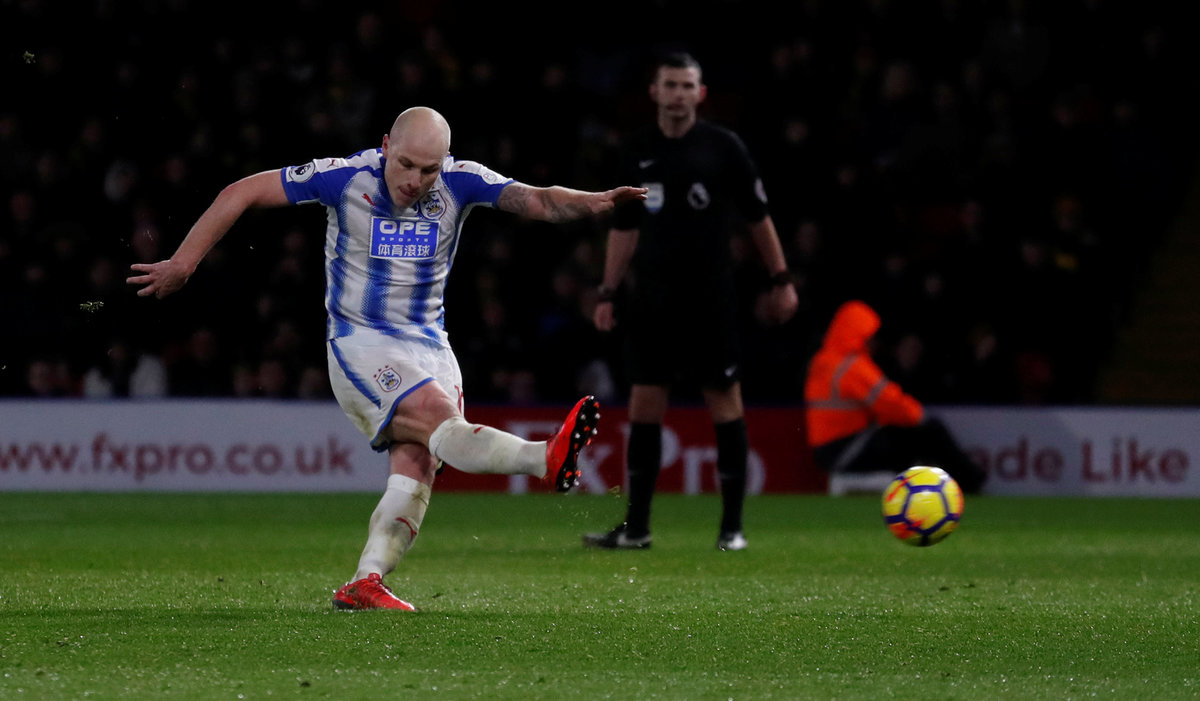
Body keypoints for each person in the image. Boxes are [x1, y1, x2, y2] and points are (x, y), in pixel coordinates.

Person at [128, 106, 647, 610]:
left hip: (431, 344)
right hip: (362, 342)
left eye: (429, 169)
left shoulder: (461, 181)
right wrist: (183, 263)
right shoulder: (344, 177)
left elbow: (537, 200)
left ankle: (366, 581)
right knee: (440, 422)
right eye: (406, 165)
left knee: (419, 464)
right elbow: (240, 191)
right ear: (385, 147)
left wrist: (596, 202)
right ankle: (543, 459)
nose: (416, 180)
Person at [582, 53, 799, 552]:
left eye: (687, 86)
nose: (678, 94)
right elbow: (624, 227)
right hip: (652, 297)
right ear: (654, 92)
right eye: (670, 85)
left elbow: (758, 217)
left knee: (724, 400)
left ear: (700, 94)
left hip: (710, 297)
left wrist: (781, 278)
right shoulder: (636, 149)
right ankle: (636, 529)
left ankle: (732, 530)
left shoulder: (723, 148)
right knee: (644, 403)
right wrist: (608, 291)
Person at [804, 300, 987, 494]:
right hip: (847, 449)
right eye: (870, 336)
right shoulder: (852, 366)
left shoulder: (823, 361)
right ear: (859, 334)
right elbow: (891, 403)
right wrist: (920, 416)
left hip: (828, 451)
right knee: (927, 432)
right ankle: (969, 483)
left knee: (903, 438)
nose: (874, 342)